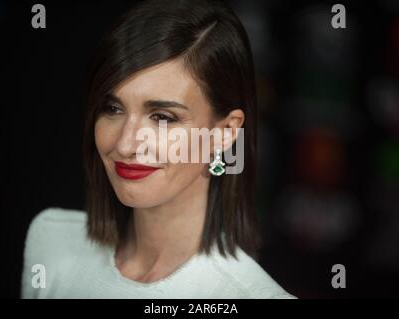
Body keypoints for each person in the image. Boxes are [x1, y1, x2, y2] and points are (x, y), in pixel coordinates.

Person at [21, 0, 296, 299]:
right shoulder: (51, 241)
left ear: (225, 132)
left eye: (162, 117)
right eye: (112, 108)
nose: (126, 144)